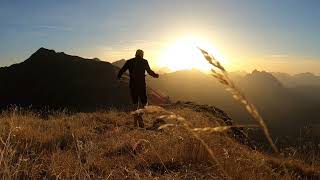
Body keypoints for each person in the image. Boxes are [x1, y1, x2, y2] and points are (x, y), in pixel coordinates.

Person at [117, 49, 159, 127]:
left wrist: (119, 77)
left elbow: (122, 70)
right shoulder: (144, 61)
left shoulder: (129, 61)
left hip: (132, 85)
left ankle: (135, 124)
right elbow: (149, 71)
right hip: (141, 85)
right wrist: (155, 75)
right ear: (142, 54)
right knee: (144, 104)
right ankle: (140, 116)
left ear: (136, 54)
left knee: (135, 104)